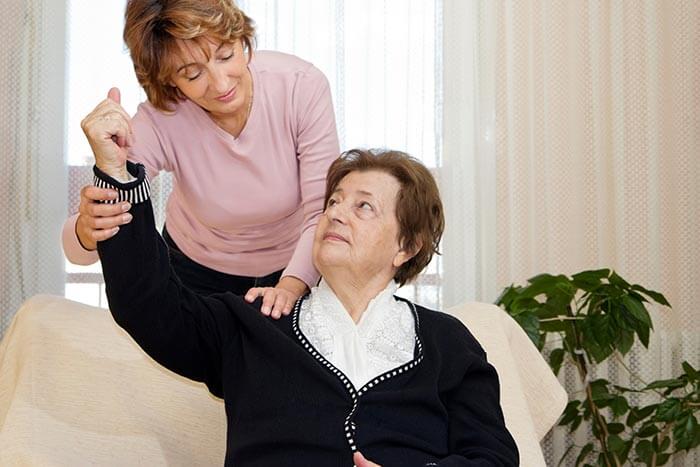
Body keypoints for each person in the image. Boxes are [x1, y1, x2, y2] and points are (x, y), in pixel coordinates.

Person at [94, 146, 520, 466]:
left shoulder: (449, 342)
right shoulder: (250, 323)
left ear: (407, 246)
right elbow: (147, 305)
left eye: (363, 207)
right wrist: (117, 176)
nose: (335, 215)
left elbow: (494, 457)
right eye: (332, 202)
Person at [61, 0, 340, 318]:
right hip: (191, 272)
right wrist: (88, 225)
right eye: (192, 75)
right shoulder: (160, 120)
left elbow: (323, 209)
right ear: (169, 80)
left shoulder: (299, 86)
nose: (221, 84)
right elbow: (79, 248)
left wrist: (290, 288)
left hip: (295, 267)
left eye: (226, 55)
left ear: (240, 37)